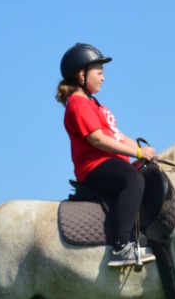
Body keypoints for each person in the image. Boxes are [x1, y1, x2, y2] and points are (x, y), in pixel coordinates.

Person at [56, 43, 158, 267]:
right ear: (81, 75)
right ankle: (121, 246)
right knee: (133, 180)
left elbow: (116, 135)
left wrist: (145, 153)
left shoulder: (94, 104)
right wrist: (137, 152)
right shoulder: (78, 104)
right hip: (94, 166)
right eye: (99, 73)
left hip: (110, 161)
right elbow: (98, 140)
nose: (103, 78)